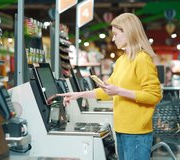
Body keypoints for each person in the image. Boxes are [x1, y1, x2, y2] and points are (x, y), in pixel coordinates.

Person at [55, 13, 162, 160]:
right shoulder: (121, 61)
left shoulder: (142, 59)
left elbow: (154, 96)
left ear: (128, 32)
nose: (113, 38)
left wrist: (119, 91)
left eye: (116, 34)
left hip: (137, 134)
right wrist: (78, 95)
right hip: (121, 129)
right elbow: (107, 91)